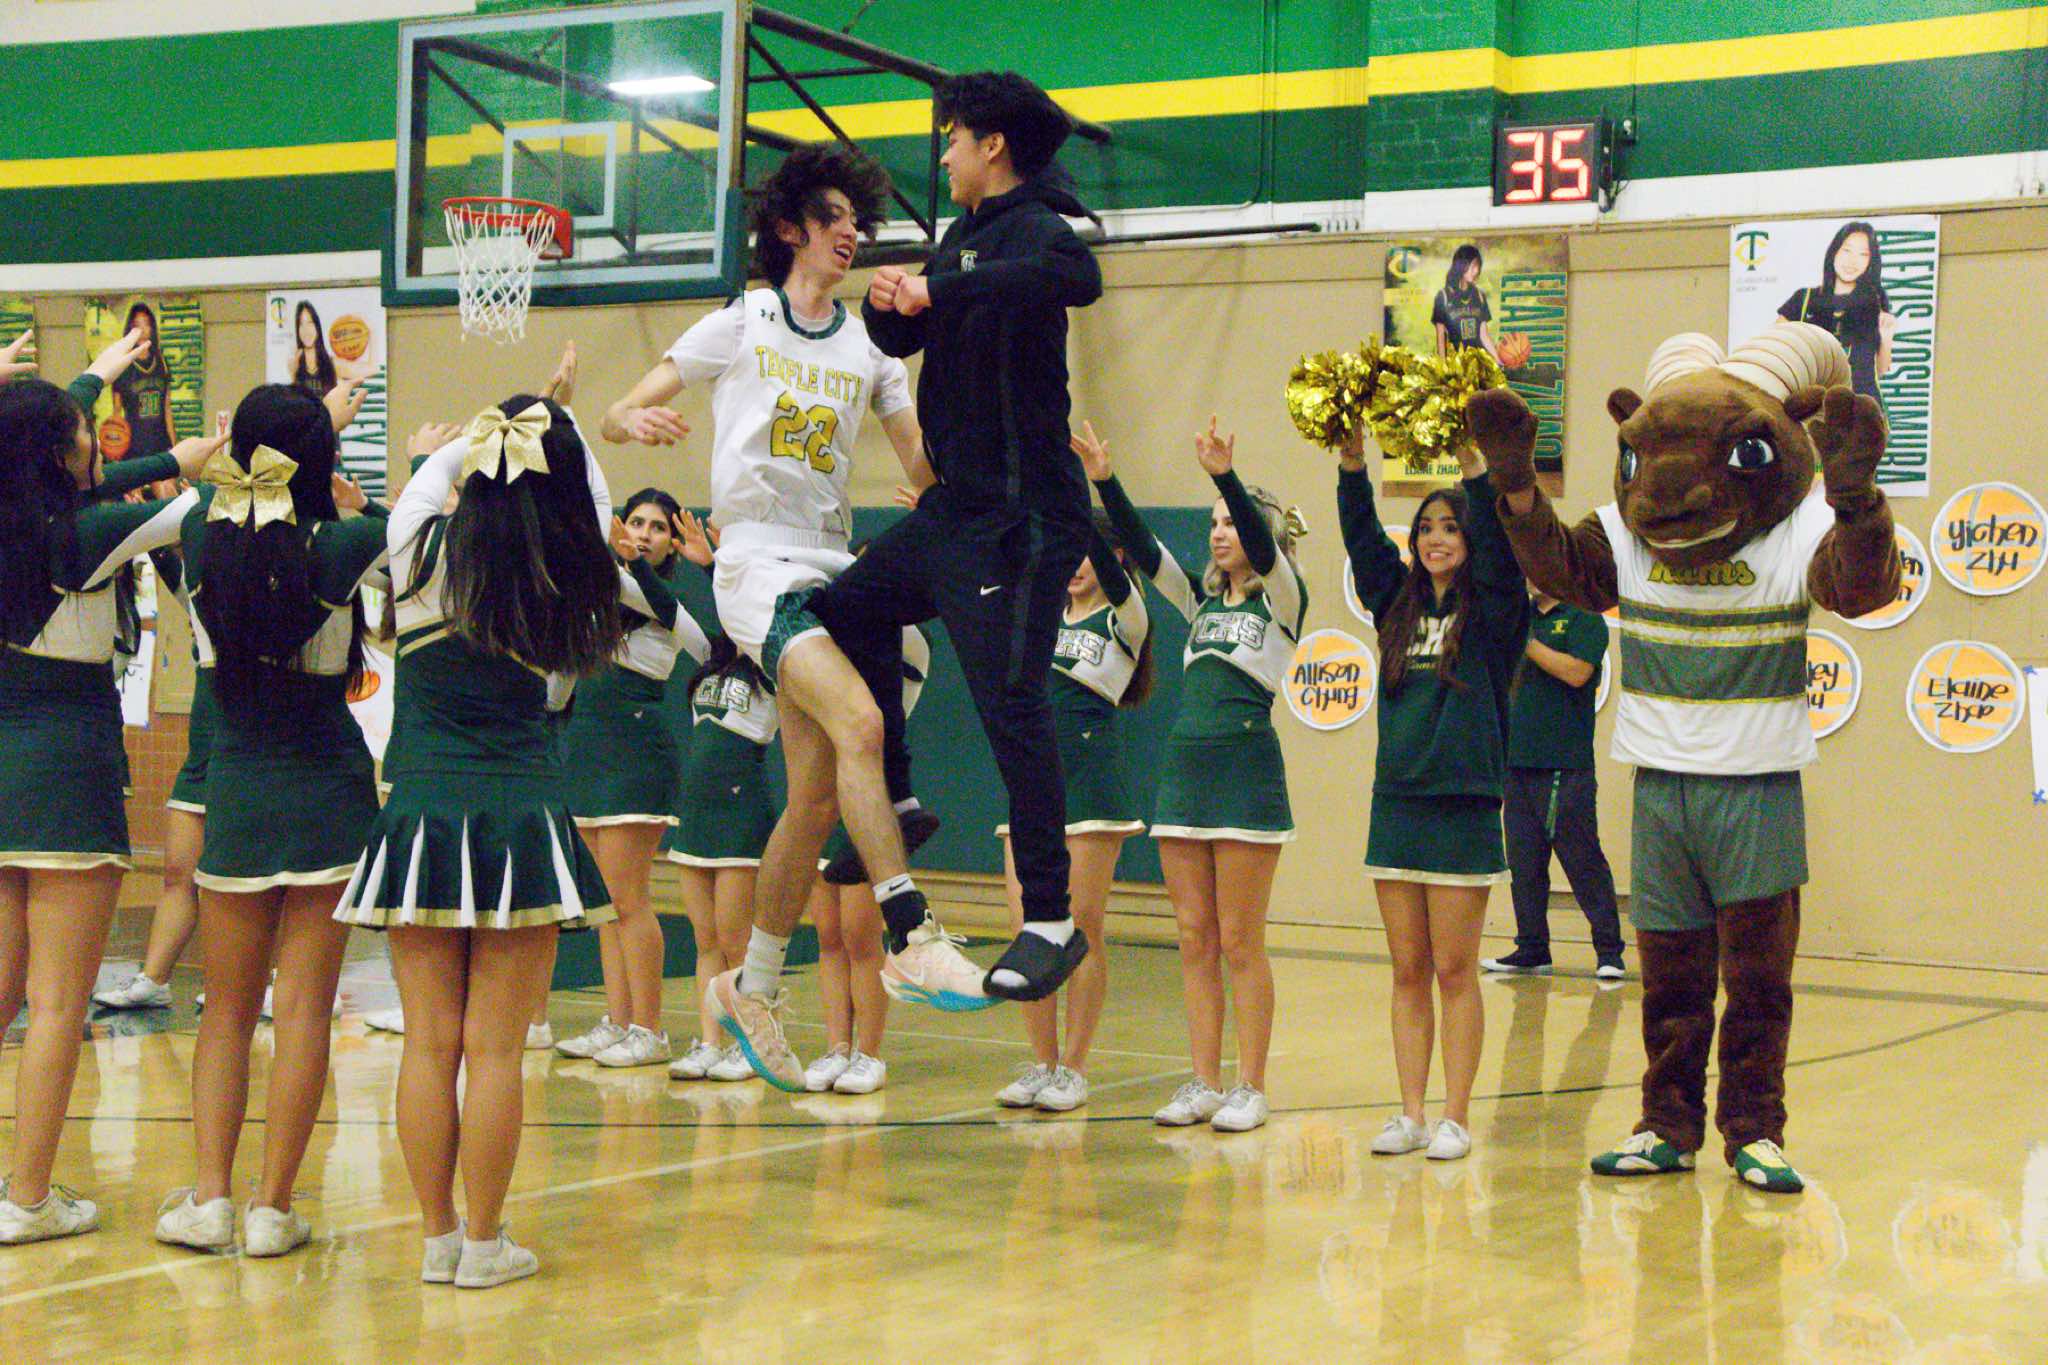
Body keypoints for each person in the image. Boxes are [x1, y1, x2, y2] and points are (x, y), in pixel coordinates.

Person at [605, 142, 983, 1095]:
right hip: (754, 562)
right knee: (862, 722)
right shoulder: (744, 320)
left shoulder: (869, 350)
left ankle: (754, 983)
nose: (851, 233)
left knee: (814, 795)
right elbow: (621, 408)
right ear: (790, 229)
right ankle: (911, 931)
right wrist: (630, 421)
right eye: (834, 218)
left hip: (832, 560)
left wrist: (968, 493)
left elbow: (923, 463)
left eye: (858, 221)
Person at [805, 68, 1106, 1022]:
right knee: (843, 610)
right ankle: (896, 800)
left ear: (992, 146)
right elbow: (901, 342)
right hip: (954, 511)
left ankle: (1050, 918)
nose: (942, 156)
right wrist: (889, 303)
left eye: (952, 139)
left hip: (1023, 519)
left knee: (1010, 702)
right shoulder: (962, 238)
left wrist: (940, 284)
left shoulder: (1040, 227)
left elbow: (1081, 278)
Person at [333, 378, 621, 1289]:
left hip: (419, 815)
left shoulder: (413, 549)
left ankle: (438, 1237)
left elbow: (430, 479)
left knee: (429, 1043)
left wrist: (472, 439)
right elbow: (592, 494)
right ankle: (487, 1245)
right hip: (521, 820)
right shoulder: (571, 572)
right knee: (496, 1049)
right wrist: (557, 424)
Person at [152, 384, 398, 1258]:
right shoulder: (347, 542)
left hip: (239, 794)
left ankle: (210, 1199)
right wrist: (358, 491)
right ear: (319, 459)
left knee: (226, 1011)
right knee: (302, 1012)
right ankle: (272, 1208)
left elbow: (208, 494)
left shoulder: (197, 536)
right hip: (331, 793)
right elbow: (427, 528)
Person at [0, 336, 220, 1244]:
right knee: (58, 1004)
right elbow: (198, 511)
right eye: (84, 429)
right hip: (66, 773)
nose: (96, 439)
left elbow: (64, 456)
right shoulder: (81, 535)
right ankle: (26, 1198)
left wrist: (98, 371)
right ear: (59, 451)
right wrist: (204, 458)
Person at [1090, 418, 1305, 1135]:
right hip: (1185, 772)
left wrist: (1224, 477)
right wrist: (1104, 482)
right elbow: (1145, 549)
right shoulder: (1200, 601)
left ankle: (1251, 1084)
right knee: (1192, 935)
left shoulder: (1284, 601)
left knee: (1240, 939)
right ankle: (1204, 1080)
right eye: (1212, 523)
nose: (1218, 533)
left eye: (1230, 523)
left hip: (1245, 774)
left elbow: (1264, 547)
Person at [1340, 427, 1529, 1163]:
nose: (1436, 538)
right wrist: (1352, 466)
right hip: (1397, 805)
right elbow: (1365, 545)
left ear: (1469, 539)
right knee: (1408, 969)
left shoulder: (1495, 612)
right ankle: (1412, 1113)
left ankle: (1455, 1116)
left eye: (1450, 527)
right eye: (1425, 528)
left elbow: (1505, 557)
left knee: (1455, 970)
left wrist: (1475, 467)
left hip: (1463, 807)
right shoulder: (1397, 604)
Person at [989, 444, 1153, 1114]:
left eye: (1091, 551)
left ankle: (1075, 1067)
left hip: (1090, 787)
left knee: (1080, 926)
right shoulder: (1041, 614)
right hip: (1031, 786)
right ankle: (1042, 1062)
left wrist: (1079, 500)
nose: (1079, 563)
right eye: (1073, 550)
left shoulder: (1127, 620)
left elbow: (1117, 578)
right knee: (1030, 929)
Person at [552, 488, 711, 1070]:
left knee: (628, 898)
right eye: (636, 521)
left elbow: (703, 646)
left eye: (657, 527)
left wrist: (625, 563)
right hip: (587, 752)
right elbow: (559, 687)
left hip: (636, 754)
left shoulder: (656, 597)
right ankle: (618, 1022)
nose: (643, 532)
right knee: (603, 904)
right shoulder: (599, 596)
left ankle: (650, 1029)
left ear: (672, 543)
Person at [805, 619, 934, 1097]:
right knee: (828, 936)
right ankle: (837, 1046)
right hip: (823, 794)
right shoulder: (822, 650)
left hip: (869, 795)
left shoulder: (905, 643)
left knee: (861, 936)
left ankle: (869, 1053)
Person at [1483, 585, 1625, 979]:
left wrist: (1525, 642)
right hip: (1516, 763)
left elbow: (1577, 672)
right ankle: (1532, 949)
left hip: (1565, 766)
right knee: (1524, 864)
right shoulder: (1520, 614)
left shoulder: (1583, 616)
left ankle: (1609, 952)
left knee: (1583, 862)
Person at [666, 632, 782, 1084]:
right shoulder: (710, 661)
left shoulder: (773, 666)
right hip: (697, 811)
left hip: (740, 811)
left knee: (737, 941)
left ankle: (749, 1043)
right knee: (706, 940)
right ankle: (710, 1042)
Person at [1777, 221, 1895, 406]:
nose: (1852, 261)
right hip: (1814, 409)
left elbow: (1879, 371)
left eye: (1863, 254)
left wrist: (1886, 337)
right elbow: (1774, 350)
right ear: (1834, 251)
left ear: (1870, 261)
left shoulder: (1875, 303)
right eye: (1847, 250)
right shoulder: (1804, 299)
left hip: (1863, 410)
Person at [110, 302, 175, 459]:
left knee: (165, 479)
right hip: (133, 447)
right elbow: (117, 412)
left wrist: (174, 448)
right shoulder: (122, 365)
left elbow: (167, 409)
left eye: (146, 324)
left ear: (152, 328)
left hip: (160, 444)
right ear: (130, 330)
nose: (142, 330)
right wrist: (115, 448)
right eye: (137, 325)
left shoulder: (162, 362)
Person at [1432, 244, 1496, 361]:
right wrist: (1443, 365)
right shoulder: (1443, 296)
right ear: (1461, 266)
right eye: (1472, 266)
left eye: (1477, 266)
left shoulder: (1479, 295)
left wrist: (1498, 360)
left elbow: (1484, 336)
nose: (1475, 271)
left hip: (1477, 363)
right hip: (1456, 363)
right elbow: (1440, 338)